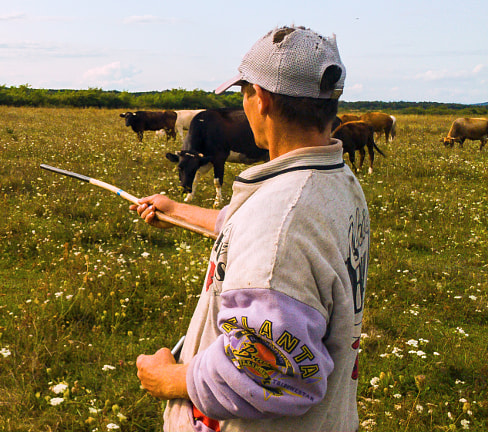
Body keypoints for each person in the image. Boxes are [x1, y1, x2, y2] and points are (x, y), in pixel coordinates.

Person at [130, 26, 371, 432]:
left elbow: (275, 374)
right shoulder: (336, 180)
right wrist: (178, 210)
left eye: (245, 93)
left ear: (261, 99)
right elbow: (250, 227)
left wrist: (169, 378)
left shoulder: (281, 223)